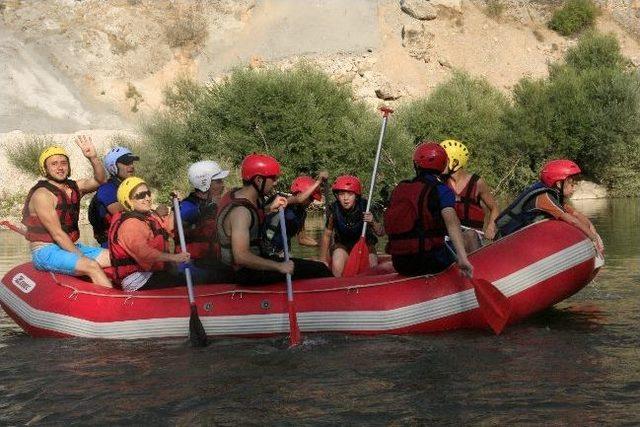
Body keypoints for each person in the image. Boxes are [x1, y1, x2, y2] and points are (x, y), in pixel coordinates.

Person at [216, 153, 333, 285]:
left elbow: (255, 213)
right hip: (246, 273)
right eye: (273, 178)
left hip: (254, 265)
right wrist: (279, 266)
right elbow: (241, 256)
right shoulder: (241, 213)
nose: (276, 182)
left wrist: (269, 208)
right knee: (321, 269)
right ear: (259, 180)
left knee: (311, 266)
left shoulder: (242, 196)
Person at [21, 136, 112, 287]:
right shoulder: (42, 195)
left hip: (70, 245)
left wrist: (93, 157)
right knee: (91, 266)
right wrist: (82, 258)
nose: (60, 167)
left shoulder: (75, 187)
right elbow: (57, 234)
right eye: (54, 164)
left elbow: (100, 180)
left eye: (64, 163)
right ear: (45, 169)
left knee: (114, 257)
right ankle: (116, 306)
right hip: (46, 251)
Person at [384, 141, 474, 277]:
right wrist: (462, 257)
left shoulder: (400, 189)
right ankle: (477, 272)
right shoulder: (440, 189)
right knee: (471, 235)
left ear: (416, 165)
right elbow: (452, 222)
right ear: (443, 165)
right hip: (429, 261)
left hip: (400, 263)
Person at [495, 159, 605, 253]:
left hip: (521, 237)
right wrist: (593, 239)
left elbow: (576, 214)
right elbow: (572, 221)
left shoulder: (554, 196)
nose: (574, 187)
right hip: (506, 236)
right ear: (558, 184)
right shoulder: (544, 198)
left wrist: (592, 229)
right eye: (571, 184)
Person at [106, 177, 191, 291]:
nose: (147, 198)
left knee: (187, 276)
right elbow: (143, 253)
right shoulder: (130, 224)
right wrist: (174, 258)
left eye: (148, 193)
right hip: (136, 280)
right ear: (128, 201)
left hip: (149, 273)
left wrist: (174, 207)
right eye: (140, 196)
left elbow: (169, 228)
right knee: (186, 282)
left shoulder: (147, 218)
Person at [319, 175, 385, 277]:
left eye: (350, 194)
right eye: (341, 194)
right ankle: (338, 287)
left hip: (365, 245)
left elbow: (381, 232)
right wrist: (323, 261)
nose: (345, 198)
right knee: (337, 263)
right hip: (343, 246)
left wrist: (372, 222)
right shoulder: (333, 210)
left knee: (372, 265)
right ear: (337, 196)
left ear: (356, 195)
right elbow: (327, 235)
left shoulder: (366, 207)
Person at [440, 139, 500, 246]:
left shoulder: (477, 183)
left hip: (473, 236)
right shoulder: (440, 183)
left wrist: (491, 227)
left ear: (455, 162)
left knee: (470, 235)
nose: (439, 164)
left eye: (444, 160)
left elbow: (494, 208)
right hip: (448, 236)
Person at [261, 171, 328, 258]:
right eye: (310, 198)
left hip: (283, 252)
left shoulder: (302, 213)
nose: (312, 201)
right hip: (266, 250)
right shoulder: (281, 199)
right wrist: (318, 182)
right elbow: (299, 199)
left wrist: (320, 243)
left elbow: (302, 239)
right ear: (300, 192)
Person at [88, 146, 140, 247]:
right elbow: (124, 213)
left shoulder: (128, 188)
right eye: (126, 163)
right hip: (112, 246)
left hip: (128, 241)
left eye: (131, 162)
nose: (131, 166)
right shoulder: (107, 189)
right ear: (113, 166)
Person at [178, 160, 229, 261]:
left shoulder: (218, 202)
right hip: (196, 266)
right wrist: (209, 207)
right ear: (204, 183)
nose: (222, 185)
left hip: (216, 261)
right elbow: (185, 215)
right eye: (218, 181)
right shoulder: (187, 205)